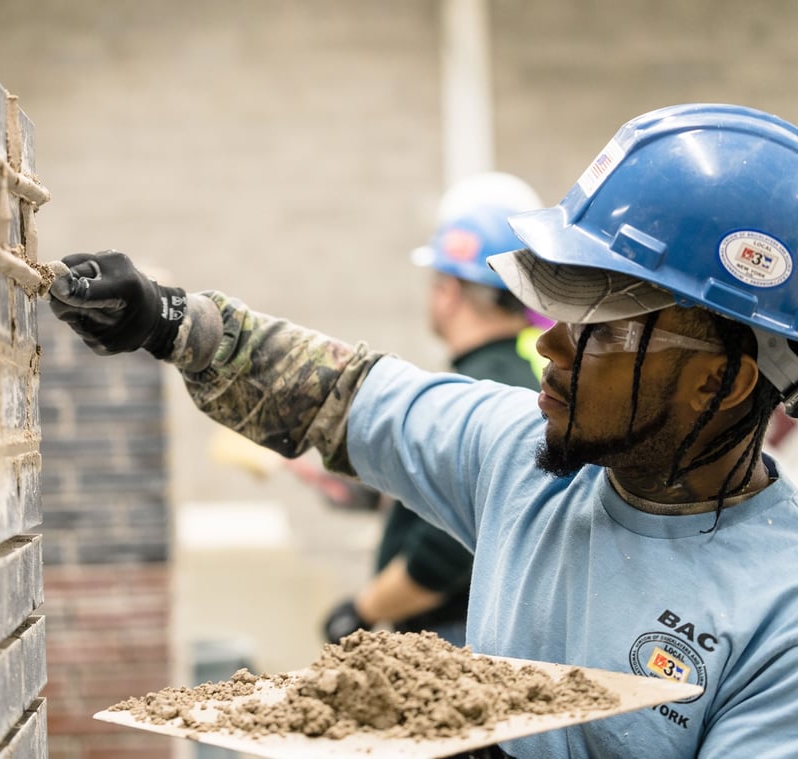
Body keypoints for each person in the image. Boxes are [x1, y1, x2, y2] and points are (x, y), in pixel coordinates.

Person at [48, 103, 798, 758]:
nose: (552, 346)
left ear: (721, 379)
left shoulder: (780, 613)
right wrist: (170, 320)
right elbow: (341, 391)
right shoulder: (518, 459)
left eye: (599, 330)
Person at [322, 172, 545, 647]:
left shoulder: (476, 386)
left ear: (449, 291)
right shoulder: (523, 372)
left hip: (459, 633)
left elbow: (449, 550)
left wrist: (362, 610)